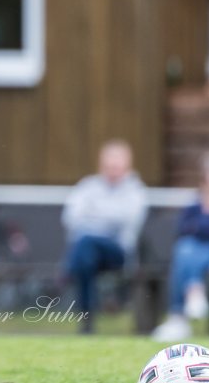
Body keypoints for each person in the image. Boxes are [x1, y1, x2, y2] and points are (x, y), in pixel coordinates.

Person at [60, 139, 149, 333]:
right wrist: (107, 219)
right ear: (101, 165)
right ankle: (101, 304)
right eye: (109, 166)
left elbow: (129, 219)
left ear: (127, 166)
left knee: (83, 248)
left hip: (117, 252)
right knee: (85, 255)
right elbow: (70, 217)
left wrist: (95, 218)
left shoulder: (135, 190)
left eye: (117, 166)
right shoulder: (88, 186)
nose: (113, 170)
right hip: (88, 249)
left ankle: (85, 312)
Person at [151, 152, 209, 341]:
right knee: (184, 249)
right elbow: (182, 229)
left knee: (186, 252)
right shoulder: (194, 203)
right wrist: (204, 228)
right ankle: (194, 289)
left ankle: (177, 315)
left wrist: (200, 228)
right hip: (192, 249)